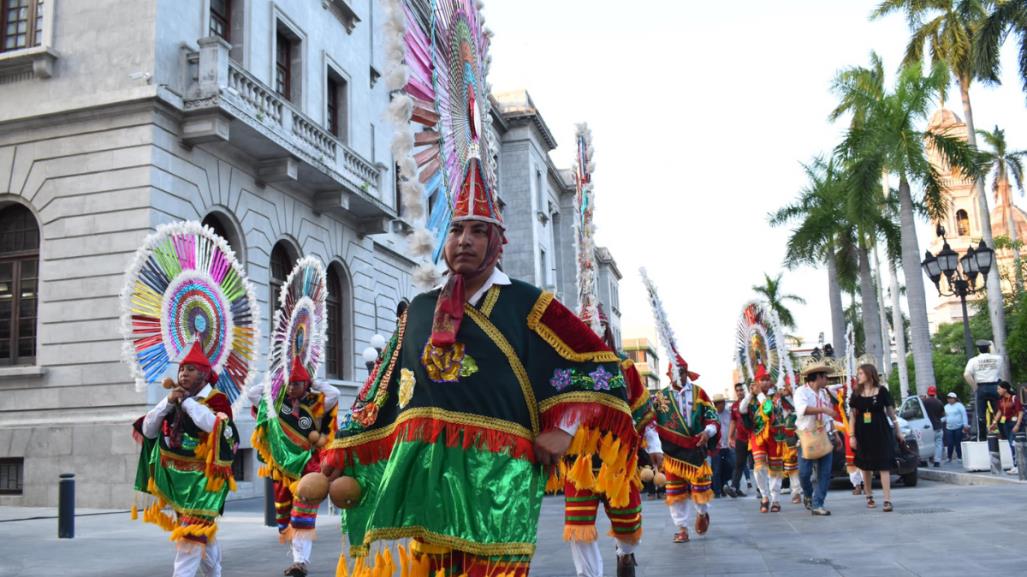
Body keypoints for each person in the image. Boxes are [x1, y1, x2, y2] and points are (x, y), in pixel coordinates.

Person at [320, 157, 639, 576]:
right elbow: (381, 387)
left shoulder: (528, 304)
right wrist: (342, 447)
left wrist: (563, 429)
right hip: (429, 476)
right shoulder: (418, 310)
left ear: (498, 242)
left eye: (478, 231)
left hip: (499, 478)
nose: (464, 240)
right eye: (456, 229)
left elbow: (600, 368)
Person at [562, 309, 662, 577]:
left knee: (629, 527)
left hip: (617, 459)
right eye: (584, 327)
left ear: (606, 330)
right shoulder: (564, 363)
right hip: (578, 460)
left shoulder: (624, 366)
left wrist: (654, 447)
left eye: (595, 326)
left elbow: (641, 408)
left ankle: (625, 554)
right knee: (579, 528)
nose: (590, 331)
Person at [132, 341, 238, 577]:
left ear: (203, 374)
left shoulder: (217, 400)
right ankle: (214, 573)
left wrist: (186, 402)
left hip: (205, 480)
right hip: (177, 479)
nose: (183, 373)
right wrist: (168, 402)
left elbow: (214, 426)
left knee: (190, 532)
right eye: (182, 369)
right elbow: (149, 431)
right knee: (200, 531)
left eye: (190, 369)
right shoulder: (174, 398)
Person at [248, 357, 340, 577]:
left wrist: (314, 381)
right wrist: (275, 379)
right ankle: (297, 555)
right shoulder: (276, 403)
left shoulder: (316, 403)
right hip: (282, 468)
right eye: (288, 383)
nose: (291, 388)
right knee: (285, 517)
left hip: (308, 466)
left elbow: (335, 394)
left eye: (296, 384)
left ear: (305, 384)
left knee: (303, 514)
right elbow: (253, 395)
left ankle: (300, 562)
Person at [653, 355, 720, 543]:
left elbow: (712, 417)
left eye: (681, 372)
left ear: (686, 372)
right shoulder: (660, 397)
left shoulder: (700, 393)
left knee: (701, 489)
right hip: (672, 453)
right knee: (676, 493)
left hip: (696, 447)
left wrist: (708, 432)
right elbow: (653, 423)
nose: (678, 376)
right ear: (668, 374)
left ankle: (702, 513)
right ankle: (681, 528)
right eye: (674, 372)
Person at [849, 362, 902, 513]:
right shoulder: (856, 393)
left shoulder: (882, 391)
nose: (858, 376)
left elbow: (891, 414)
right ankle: (869, 495)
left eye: (860, 373)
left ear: (869, 374)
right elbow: (852, 417)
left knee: (884, 464)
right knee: (865, 465)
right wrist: (852, 436)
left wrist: (898, 431)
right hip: (862, 432)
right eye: (858, 373)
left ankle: (887, 499)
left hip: (881, 430)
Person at [794, 358, 841, 516]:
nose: (827, 380)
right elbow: (803, 409)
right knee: (804, 473)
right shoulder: (801, 391)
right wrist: (825, 410)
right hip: (806, 436)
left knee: (825, 472)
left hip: (823, 434)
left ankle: (818, 503)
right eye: (825, 377)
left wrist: (835, 433)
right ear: (818, 377)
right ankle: (808, 494)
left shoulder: (824, 394)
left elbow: (828, 418)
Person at [740, 365, 787, 513]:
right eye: (762, 380)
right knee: (759, 468)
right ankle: (764, 496)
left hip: (774, 435)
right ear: (757, 382)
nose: (766, 383)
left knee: (775, 468)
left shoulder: (776, 397)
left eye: (767, 380)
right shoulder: (751, 399)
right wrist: (749, 394)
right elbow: (742, 409)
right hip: (757, 435)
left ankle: (776, 499)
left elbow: (768, 410)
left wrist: (760, 394)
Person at [964, 340, 1003, 439]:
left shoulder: (973, 360)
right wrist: (992, 345)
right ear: (989, 348)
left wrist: (975, 387)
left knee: (981, 415)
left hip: (982, 387)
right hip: (995, 387)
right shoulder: (997, 358)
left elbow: (966, 374)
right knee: (999, 411)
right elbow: (994, 355)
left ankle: (982, 437)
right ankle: (1004, 434)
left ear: (978, 349)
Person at [989, 381, 1023, 474]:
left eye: (999, 388)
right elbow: (1000, 412)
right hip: (1006, 424)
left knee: (1014, 443)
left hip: (1014, 423)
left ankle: (1018, 466)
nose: (998, 390)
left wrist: (1017, 424)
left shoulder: (1014, 398)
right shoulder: (1001, 400)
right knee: (1010, 443)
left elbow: (1020, 412)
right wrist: (994, 422)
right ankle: (1015, 465)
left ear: (1005, 389)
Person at [727, 382, 752, 498]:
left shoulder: (752, 402)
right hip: (741, 439)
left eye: (742, 390)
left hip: (754, 438)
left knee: (758, 464)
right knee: (739, 464)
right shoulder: (734, 406)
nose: (740, 392)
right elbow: (733, 422)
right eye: (737, 390)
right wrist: (730, 436)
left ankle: (761, 490)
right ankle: (734, 488)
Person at [711, 394, 734, 498]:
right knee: (716, 469)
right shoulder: (712, 415)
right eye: (719, 403)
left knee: (731, 466)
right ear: (715, 404)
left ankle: (724, 485)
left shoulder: (729, 414)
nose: (721, 404)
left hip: (727, 445)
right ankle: (717, 491)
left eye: (722, 402)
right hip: (716, 446)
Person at [942, 392, 970, 462]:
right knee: (950, 443)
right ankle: (949, 457)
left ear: (955, 399)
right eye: (948, 398)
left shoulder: (959, 406)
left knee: (958, 442)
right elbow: (945, 417)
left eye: (951, 398)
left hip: (958, 427)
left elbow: (964, 415)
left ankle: (959, 457)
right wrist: (939, 421)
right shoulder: (946, 407)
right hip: (949, 428)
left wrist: (965, 424)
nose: (949, 400)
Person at [922, 386, 945, 467]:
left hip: (928, 428)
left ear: (928, 393)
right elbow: (942, 415)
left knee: (927, 444)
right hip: (938, 426)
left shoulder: (924, 402)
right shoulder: (939, 402)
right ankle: (937, 461)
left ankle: (925, 460)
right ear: (935, 394)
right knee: (938, 444)